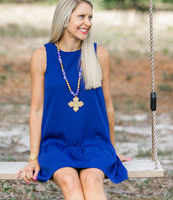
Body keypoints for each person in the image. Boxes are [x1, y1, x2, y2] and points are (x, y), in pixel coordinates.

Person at [17, 0, 132, 199]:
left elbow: (107, 106)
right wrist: (33, 158)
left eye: (90, 17)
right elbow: (37, 109)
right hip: (56, 145)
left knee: (92, 182)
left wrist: (111, 147)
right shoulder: (42, 57)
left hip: (94, 143)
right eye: (81, 16)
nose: (87, 22)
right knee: (70, 182)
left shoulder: (99, 55)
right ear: (64, 19)